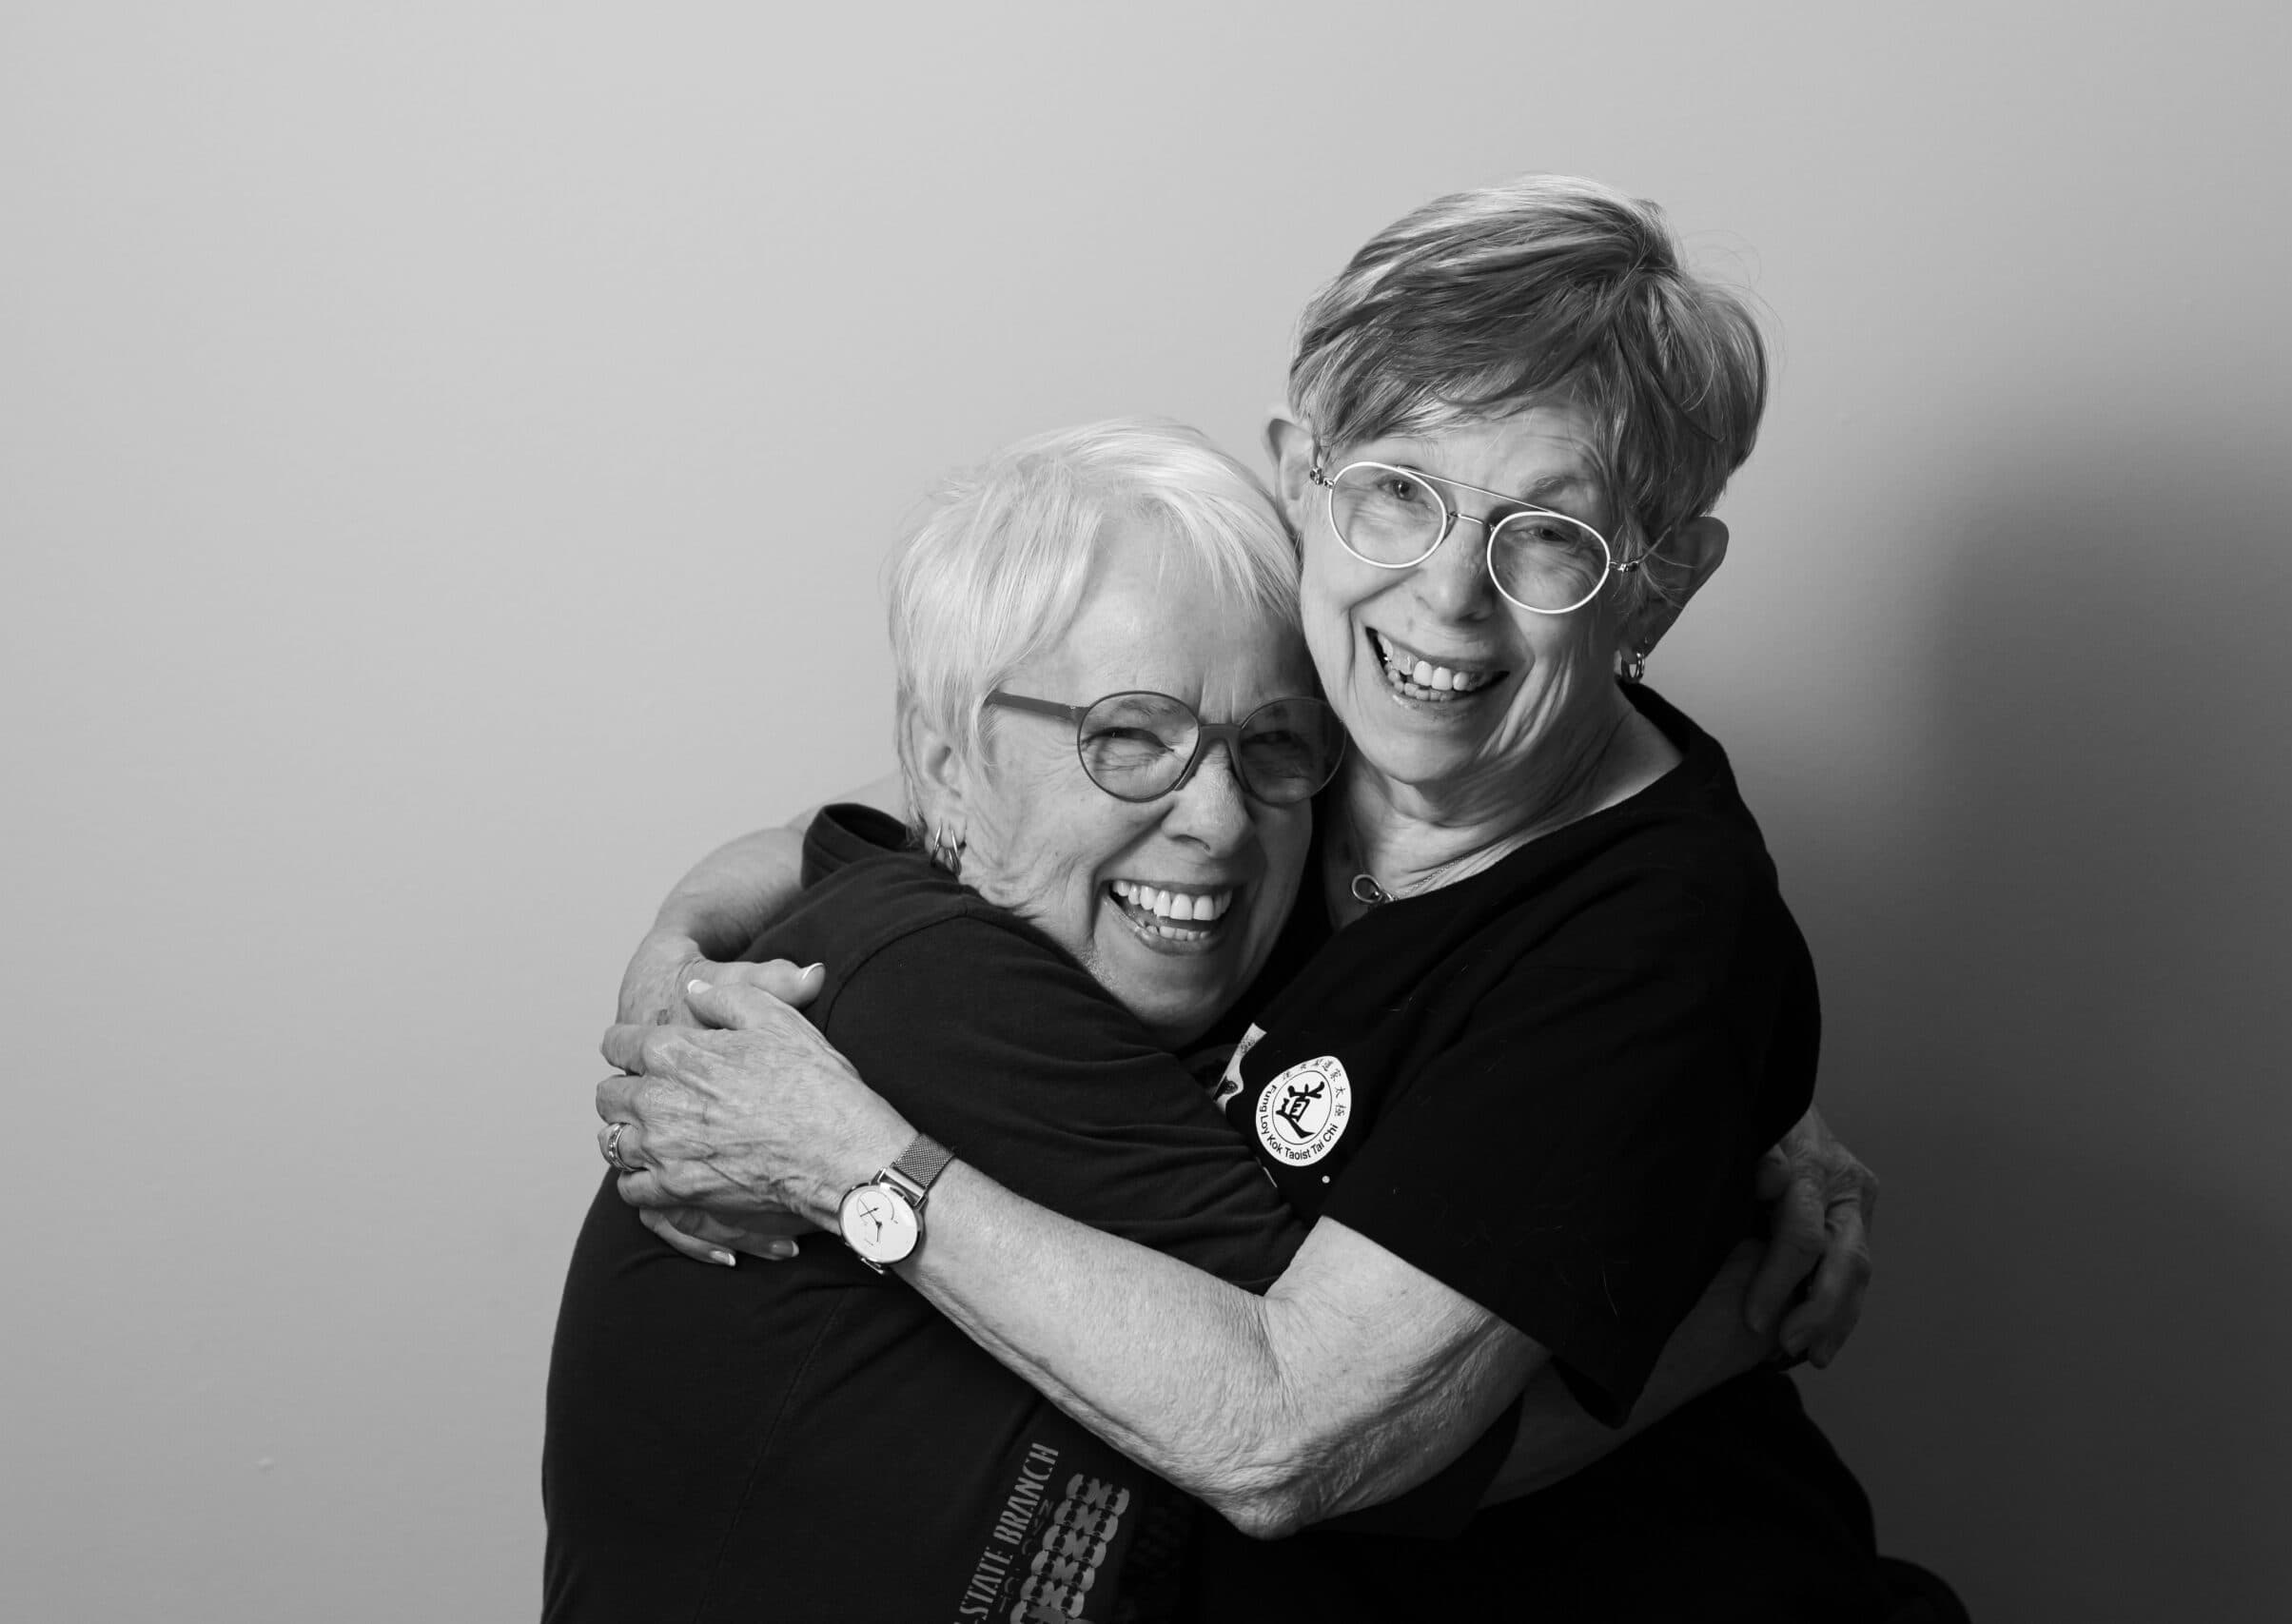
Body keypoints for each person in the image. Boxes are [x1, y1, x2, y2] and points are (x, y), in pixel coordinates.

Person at [596, 178, 1957, 1618]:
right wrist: (670, 970)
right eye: (1398, 495)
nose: (1444, 605)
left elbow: (1295, 1443)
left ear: (1661, 583)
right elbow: (918, 820)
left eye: (1547, 535)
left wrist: (847, 1163)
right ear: (1305, 478)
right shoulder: (1312, 715)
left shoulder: (1651, 941)